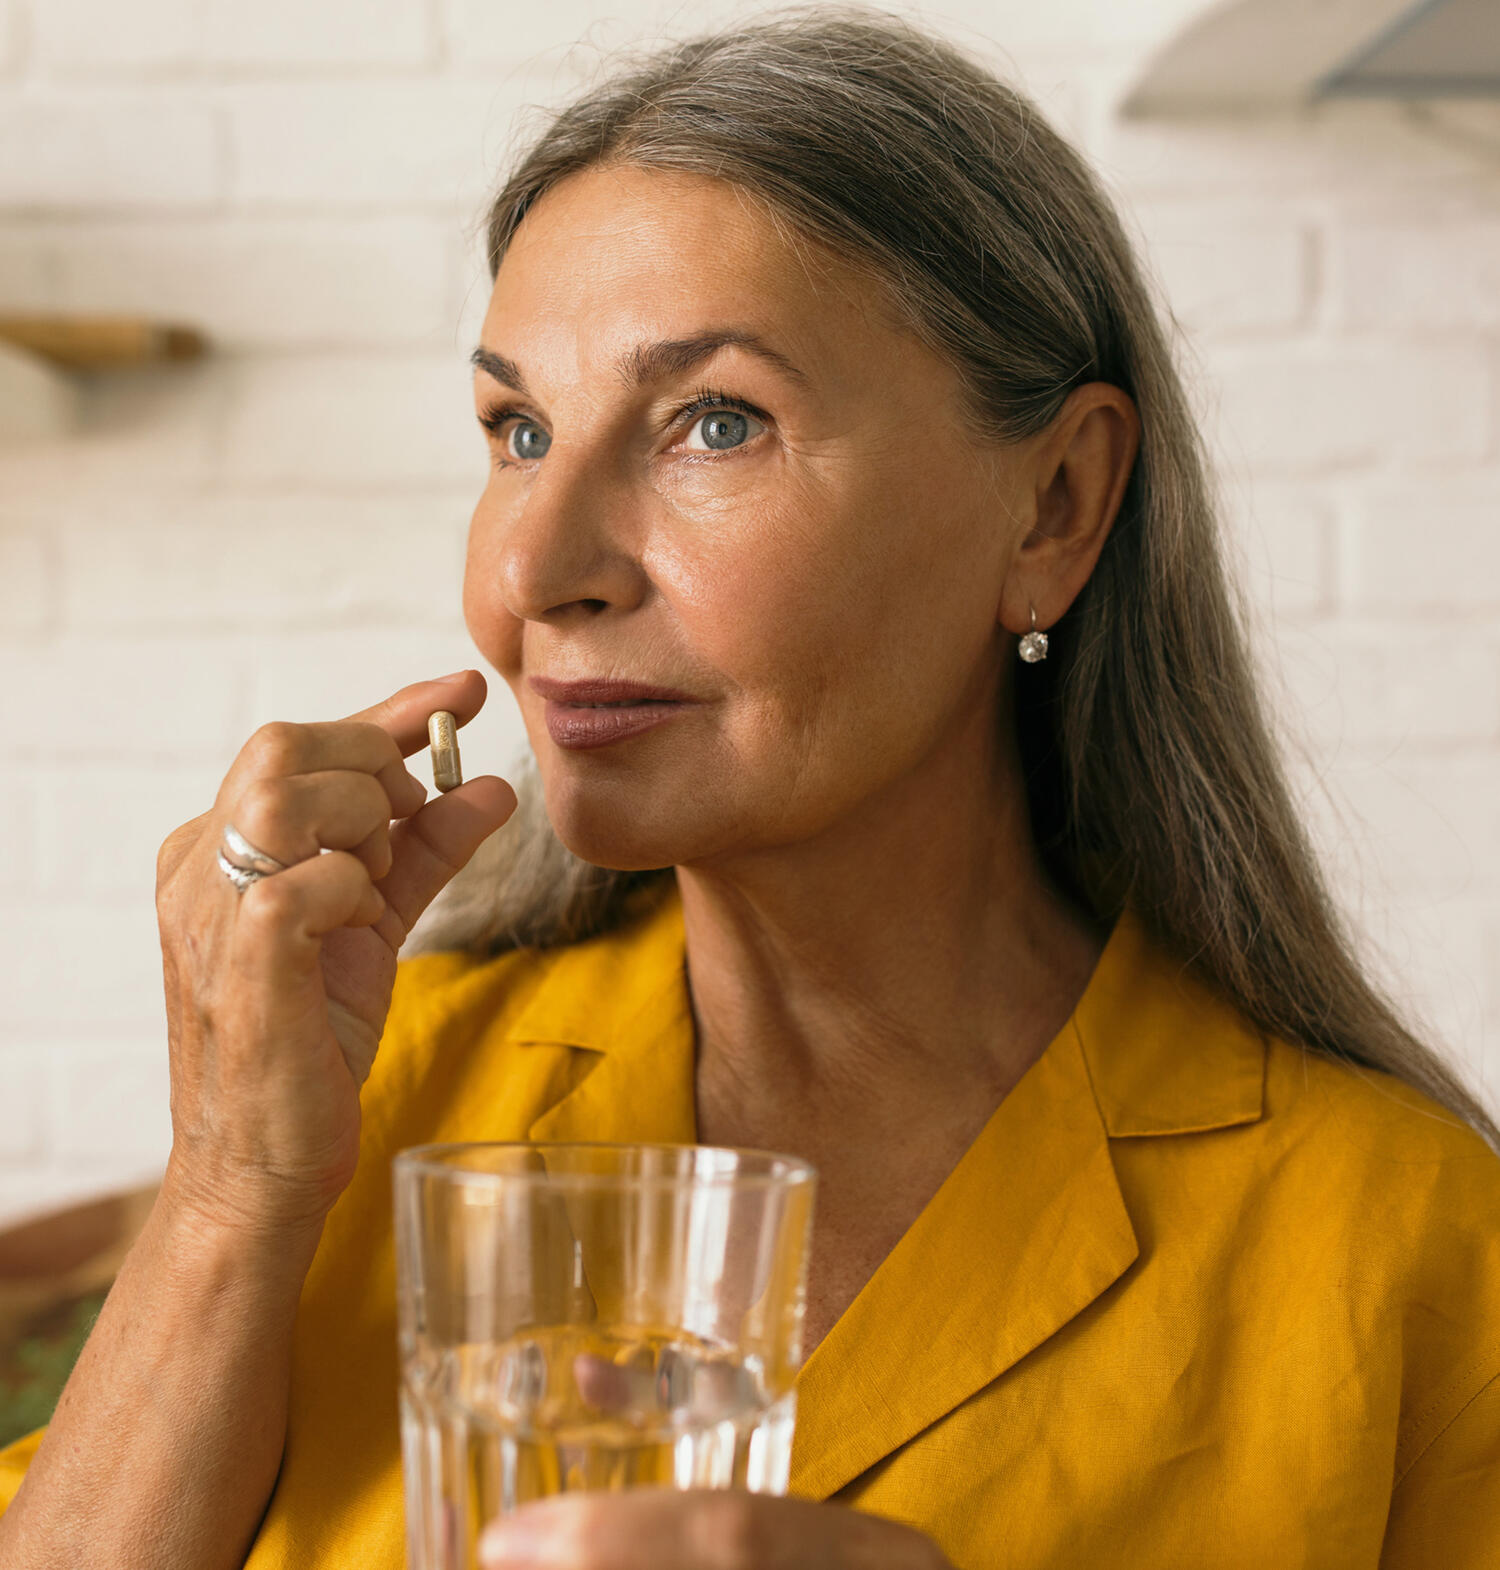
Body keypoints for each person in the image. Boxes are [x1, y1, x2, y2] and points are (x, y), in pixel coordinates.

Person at [2, 6, 1498, 1567]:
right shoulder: (367, 1104)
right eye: (519, 429)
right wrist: (230, 1189)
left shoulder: (1404, 1242)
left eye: (715, 422)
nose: (532, 567)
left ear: (1055, 503)